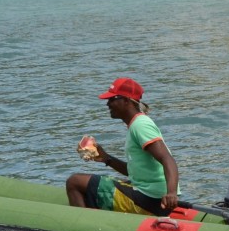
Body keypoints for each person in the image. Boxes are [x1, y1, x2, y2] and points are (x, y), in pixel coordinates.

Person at [65, 77, 180, 216]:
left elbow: (167, 159)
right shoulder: (136, 124)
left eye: (112, 99)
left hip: (151, 199)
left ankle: (82, 227)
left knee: (74, 182)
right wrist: (106, 158)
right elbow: (134, 172)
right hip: (149, 193)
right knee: (109, 182)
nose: (107, 104)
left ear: (126, 100)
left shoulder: (140, 125)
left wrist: (172, 193)